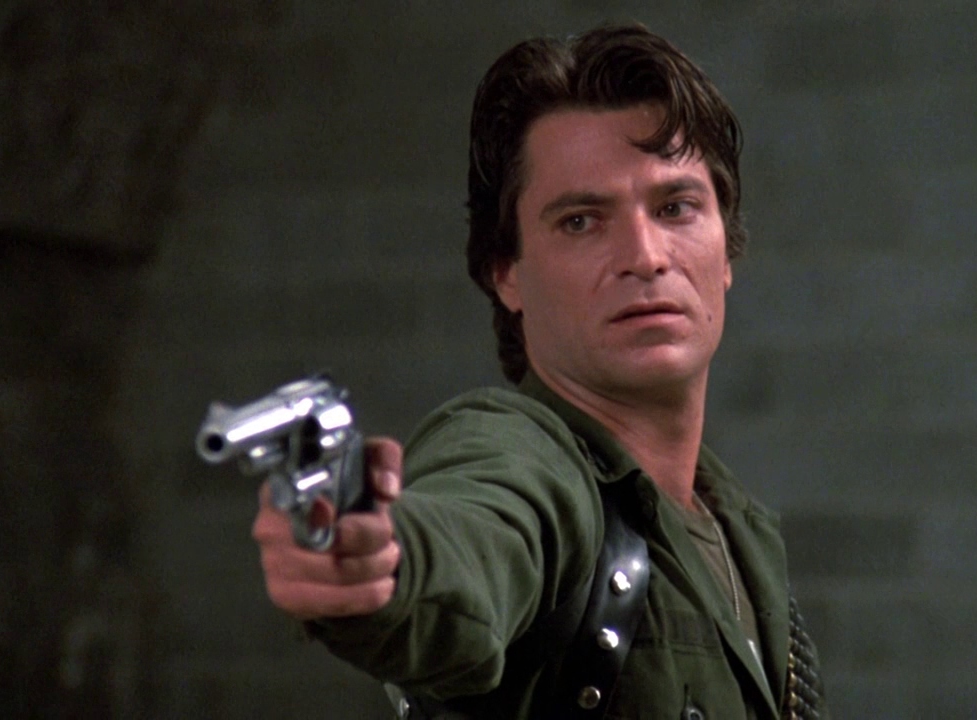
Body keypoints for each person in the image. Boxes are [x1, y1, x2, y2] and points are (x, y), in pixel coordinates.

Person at [252, 23, 826, 719]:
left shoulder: (738, 531)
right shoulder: (517, 454)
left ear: (726, 250)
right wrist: (385, 561)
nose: (645, 256)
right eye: (581, 221)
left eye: (676, 207)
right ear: (507, 273)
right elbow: (480, 531)